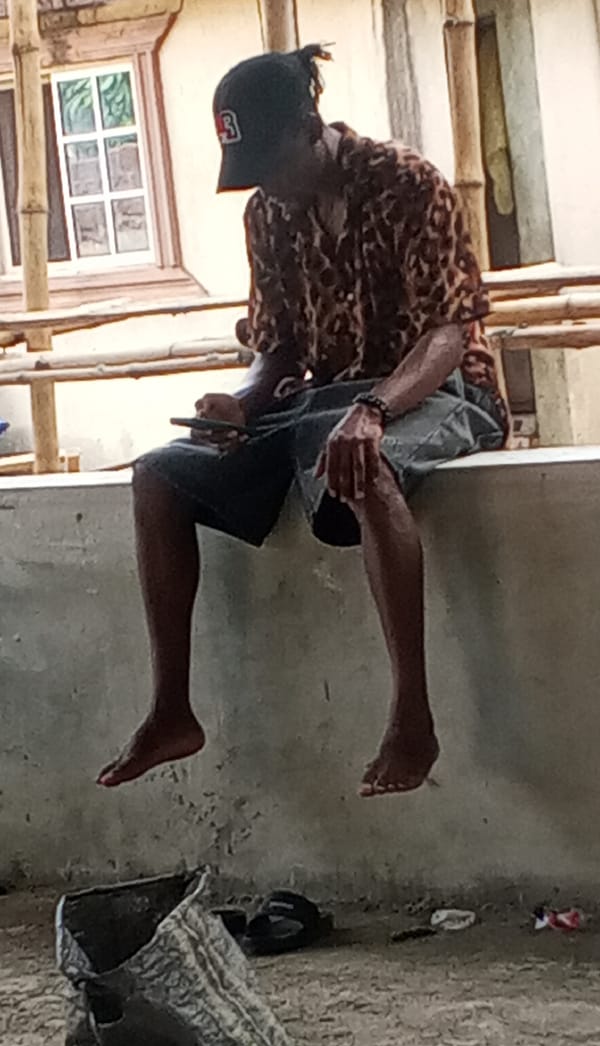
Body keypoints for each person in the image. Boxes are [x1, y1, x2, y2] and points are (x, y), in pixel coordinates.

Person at [98, 45, 508, 797]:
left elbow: (449, 334)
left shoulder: (408, 185)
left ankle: (412, 717)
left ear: (308, 127)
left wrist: (375, 409)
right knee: (158, 476)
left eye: (271, 164)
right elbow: (277, 343)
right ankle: (170, 710)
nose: (268, 188)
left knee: (366, 466)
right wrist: (239, 404)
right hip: (326, 403)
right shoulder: (267, 216)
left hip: (440, 392)